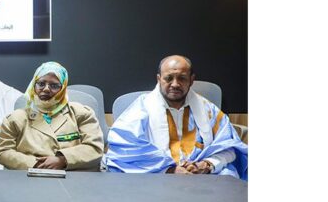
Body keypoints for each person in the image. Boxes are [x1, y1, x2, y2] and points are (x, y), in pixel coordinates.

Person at [105, 55, 248, 179]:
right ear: (159, 79)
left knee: (228, 179)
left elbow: (229, 146)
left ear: (191, 80)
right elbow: (125, 149)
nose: (175, 84)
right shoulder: (140, 109)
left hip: (202, 175)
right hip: (155, 174)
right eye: (168, 78)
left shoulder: (208, 110)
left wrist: (207, 165)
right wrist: (169, 169)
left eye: (182, 78)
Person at [0, 62, 104, 170]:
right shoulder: (15, 119)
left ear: (63, 88)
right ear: (33, 85)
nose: (46, 89)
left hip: (74, 175)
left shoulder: (81, 114)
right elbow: (3, 152)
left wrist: (63, 160)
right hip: (30, 175)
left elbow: (95, 148)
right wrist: (35, 164)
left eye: (54, 85)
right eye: (41, 84)